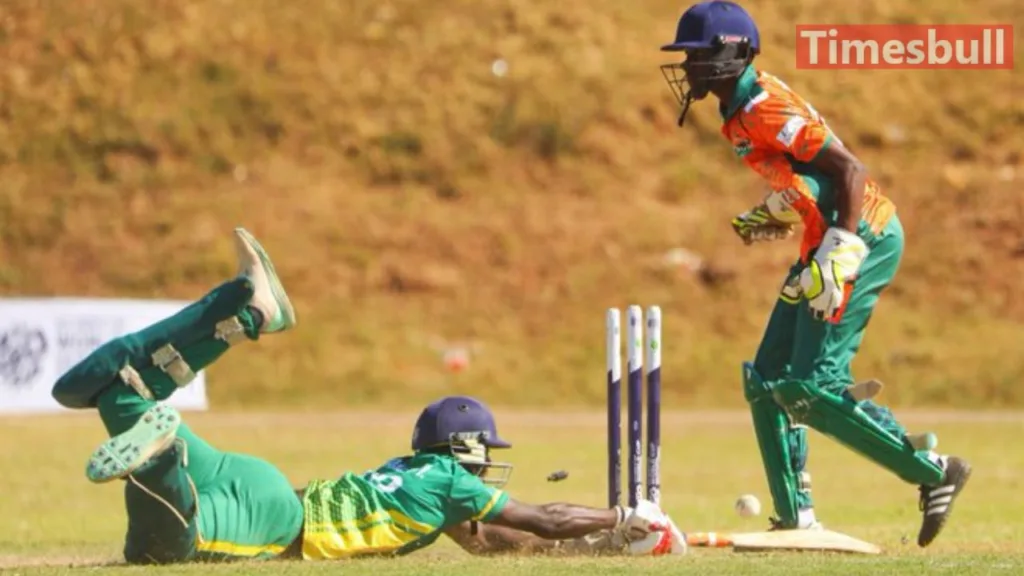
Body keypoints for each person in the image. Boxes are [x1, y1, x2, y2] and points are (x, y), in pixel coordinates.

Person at [52, 228, 686, 564]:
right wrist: (622, 516)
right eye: (484, 452)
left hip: (259, 482)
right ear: (463, 449)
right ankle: (161, 455)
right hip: (272, 522)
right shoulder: (451, 483)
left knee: (116, 393)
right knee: (165, 551)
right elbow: (541, 518)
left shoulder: (413, 475)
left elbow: (495, 542)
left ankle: (244, 316)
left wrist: (593, 547)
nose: (487, 464)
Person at [657, 0, 972, 548]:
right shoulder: (734, 113)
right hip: (821, 241)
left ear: (732, 54)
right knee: (767, 381)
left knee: (811, 386)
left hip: (863, 238)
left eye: (696, 55)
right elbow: (810, 175)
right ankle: (795, 518)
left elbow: (850, 169)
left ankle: (933, 471)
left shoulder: (765, 107)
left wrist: (843, 247)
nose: (687, 67)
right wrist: (784, 206)